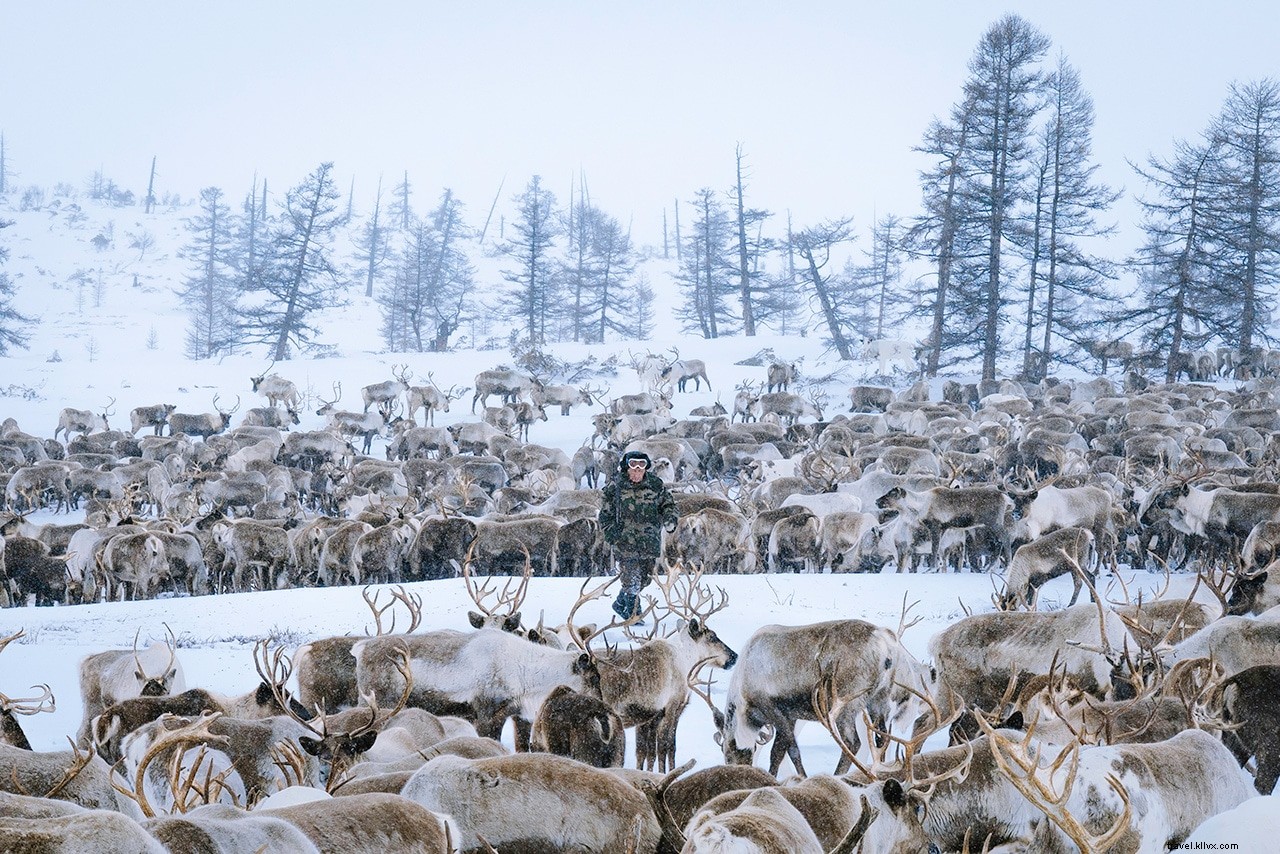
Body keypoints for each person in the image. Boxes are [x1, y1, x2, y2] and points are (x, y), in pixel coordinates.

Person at [598, 450, 678, 620]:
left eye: (640, 468)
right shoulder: (615, 488)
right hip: (624, 542)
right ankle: (635, 615)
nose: (636, 472)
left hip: (649, 541)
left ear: (646, 469)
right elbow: (605, 515)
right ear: (627, 468)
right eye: (633, 468)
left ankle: (620, 603)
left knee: (645, 578)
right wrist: (612, 534)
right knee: (631, 579)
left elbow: (668, 504)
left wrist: (670, 518)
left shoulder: (656, 485)